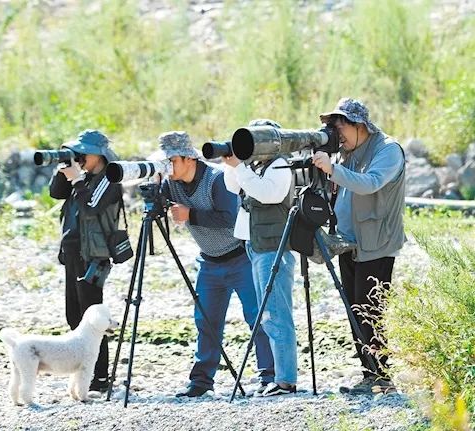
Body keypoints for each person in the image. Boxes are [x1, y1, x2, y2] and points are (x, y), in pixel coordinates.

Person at [157, 131, 275, 398]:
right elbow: (157, 207)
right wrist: (153, 190)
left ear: (188, 158)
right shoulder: (170, 182)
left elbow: (229, 217)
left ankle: (269, 377)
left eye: (171, 161)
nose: (167, 167)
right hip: (209, 261)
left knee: (256, 318)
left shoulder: (216, 178)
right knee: (206, 321)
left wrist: (190, 215)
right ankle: (201, 382)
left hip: (240, 257)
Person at [313, 98, 406, 394]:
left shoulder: (388, 150)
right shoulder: (346, 153)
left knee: (371, 310)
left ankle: (382, 377)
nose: (337, 135)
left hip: (376, 243)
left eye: (339, 127)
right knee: (355, 309)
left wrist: (332, 168)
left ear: (359, 125)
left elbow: (370, 183)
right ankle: (369, 374)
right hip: (349, 242)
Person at [222, 119, 298, 397]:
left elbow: (269, 194)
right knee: (266, 314)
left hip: (273, 247)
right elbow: (232, 186)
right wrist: (234, 163)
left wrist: (241, 168)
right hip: (254, 244)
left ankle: (286, 380)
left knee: (276, 313)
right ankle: (278, 377)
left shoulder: (280, 165)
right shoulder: (253, 167)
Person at [49, 129, 123, 392]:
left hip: (93, 255)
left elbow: (91, 208)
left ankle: (99, 378)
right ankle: (83, 372)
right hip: (72, 251)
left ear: (99, 155)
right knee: (74, 316)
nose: (79, 158)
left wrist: (78, 181)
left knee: (93, 318)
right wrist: (64, 170)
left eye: (83, 153)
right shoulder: (82, 176)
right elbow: (56, 193)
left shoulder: (109, 178)